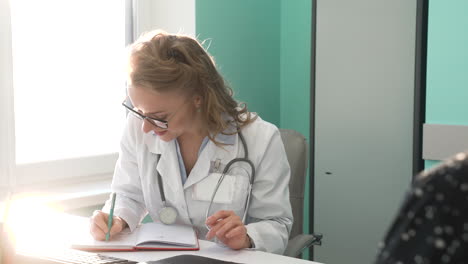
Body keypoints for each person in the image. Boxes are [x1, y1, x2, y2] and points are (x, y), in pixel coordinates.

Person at [89, 30, 293, 254]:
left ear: (198, 98)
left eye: (160, 117)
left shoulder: (260, 139)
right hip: (165, 257)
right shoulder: (138, 126)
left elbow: (277, 225)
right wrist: (116, 218)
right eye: (139, 111)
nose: (146, 127)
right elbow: (128, 194)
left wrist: (246, 237)